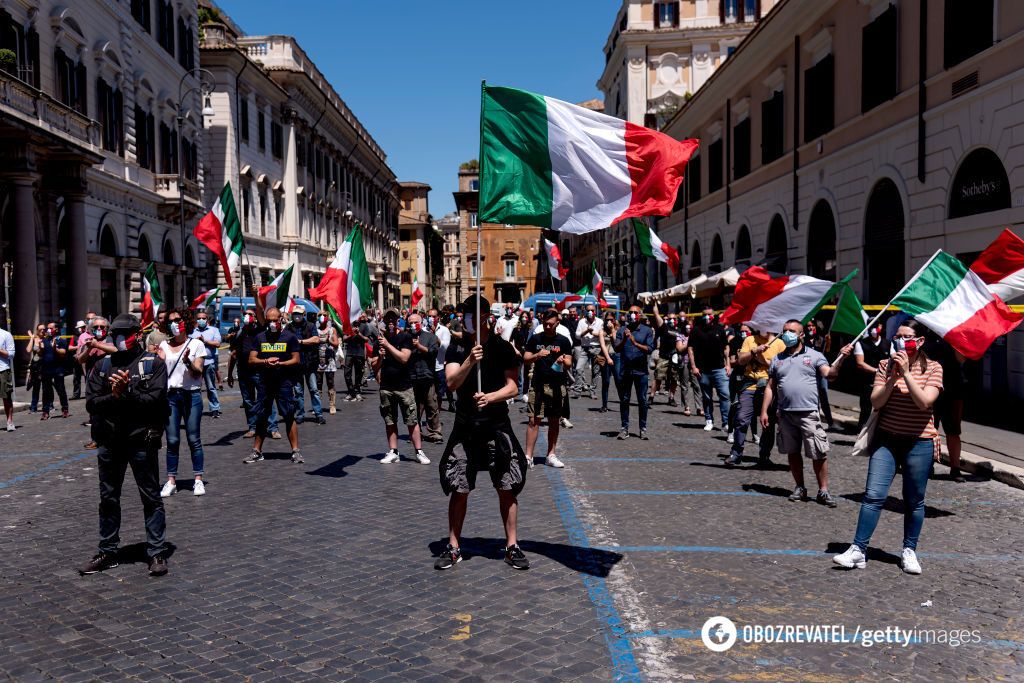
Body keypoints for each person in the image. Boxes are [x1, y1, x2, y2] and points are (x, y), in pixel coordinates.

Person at [833, 320, 943, 575]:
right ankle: (858, 549)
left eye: (907, 337)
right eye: (898, 336)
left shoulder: (934, 368)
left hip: (920, 442)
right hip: (887, 440)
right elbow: (876, 401)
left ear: (920, 341)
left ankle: (909, 550)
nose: (901, 341)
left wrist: (906, 373)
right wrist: (894, 377)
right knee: (873, 495)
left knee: (914, 500)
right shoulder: (885, 365)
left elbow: (925, 402)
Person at [435, 295, 528, 571]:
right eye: (467, 314)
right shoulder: (457, 347)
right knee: (459, 488)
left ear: (488, 316)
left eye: (477, 313)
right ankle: (453, 546)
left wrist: (491, 397)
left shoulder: (502, 348)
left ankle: (512, 546)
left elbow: (513, 387)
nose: (471, 318)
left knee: (506, 487)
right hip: (466, 428)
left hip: (496, 426)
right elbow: (451, 383)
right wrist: (469, 362)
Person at [79, 313, 169, 577]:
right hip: (110, 442)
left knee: (150, 496)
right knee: (108, 498)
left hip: (141, 441)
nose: (119, 339)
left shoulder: (152, 364)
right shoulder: (103, 365)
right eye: (114, 334)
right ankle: (108, 551)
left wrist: (127, 393)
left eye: (124, 333)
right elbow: (91, 403)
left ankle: (156, 552)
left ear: (137, 335)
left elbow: (154, 399)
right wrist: (115, 395)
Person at [759, 320, 852, 508]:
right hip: (785, 414)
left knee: (819, 453)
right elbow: (770, 387)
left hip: (808, 413)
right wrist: (764, 411)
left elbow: (830, 374)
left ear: (801, 335)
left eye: (792, 331)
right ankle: (799, 487)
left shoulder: (815, 356)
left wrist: (841, 358)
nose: (787, 334)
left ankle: (823, 490)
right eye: (784, 331)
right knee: (792, 452)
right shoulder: (777, 359)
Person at [158, 309, 208, 498]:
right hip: (171, 396)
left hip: (191, 395)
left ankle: (198, 479)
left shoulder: (196, 344)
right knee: (172, 440)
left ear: (185, 322)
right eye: (171, 321)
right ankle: (171, 481)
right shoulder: (163, 344)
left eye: (178, 320)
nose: (174, 323)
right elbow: (157, 371)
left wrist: (187, 361)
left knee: (193, 439)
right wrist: (156, 360)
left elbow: (197, 372)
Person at [244, 307, 303, 464]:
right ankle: (257, 451)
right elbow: (251, 359)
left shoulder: (289, 337)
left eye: (274, 320)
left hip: (284, 382)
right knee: (262, 415)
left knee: (289, 414)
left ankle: (296, 451)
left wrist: (281, 364)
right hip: (265, 383)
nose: (271, 323)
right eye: (269, 320)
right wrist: (265, 361)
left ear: (280, 320)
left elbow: (296, 359)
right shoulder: (260, 338)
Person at [374, 308, 429, 464]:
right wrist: (380, 356)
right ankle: (393, 451)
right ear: (383, 320)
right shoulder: (380, 338)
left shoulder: (405, 337)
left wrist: (388, 346)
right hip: (386, 386)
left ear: (398, 320)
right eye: (388, 318)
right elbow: (374, 366)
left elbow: (404, 358)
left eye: (393, 318)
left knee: (412, 420)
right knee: (390, 421)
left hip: (404, 386)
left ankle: (419, 451)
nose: (390, 321)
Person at [725, 327, 783, 466]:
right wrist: (753, 352)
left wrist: (763, 360)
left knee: (767, 423)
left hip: (770, 387)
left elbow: (781, 367)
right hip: (750, 386)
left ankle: (764, 455)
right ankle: (736, 453)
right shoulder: (750, 340)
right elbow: (741, 360)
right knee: (741, 418)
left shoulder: (780, 344)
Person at [524, 309, 573, 469]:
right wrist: (537, 355)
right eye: (545, 323)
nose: (546, 326)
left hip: (557, 385)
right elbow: (525, 359)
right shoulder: (536, 338)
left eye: (550, 324)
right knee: (533, 420)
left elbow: (569, 363)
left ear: (557, 323)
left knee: (554, 421)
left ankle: (550, 455)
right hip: (538, 384)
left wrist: (562, 360)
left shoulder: (564, 341)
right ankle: (528, 456)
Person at [233, 308, 279, 440]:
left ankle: (273, 428)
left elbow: (261, 315)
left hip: (259, 371)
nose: (247, 317)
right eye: (245, 314)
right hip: (243, 372)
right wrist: (230, 373)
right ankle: (252, 427)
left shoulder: (260, 331)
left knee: (266, 399)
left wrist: (255, 294)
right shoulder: (240, 332)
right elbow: (235, 353)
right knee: (248, 401)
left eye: (250, 315)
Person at [614, 305, 654, 440]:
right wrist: (625, 339)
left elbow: (649, 349)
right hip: (625, 371)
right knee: (624, 400)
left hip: (641, 371)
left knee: (642, 400)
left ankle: (643, 428)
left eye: (635, 312)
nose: (632, 314)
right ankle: (624, 428)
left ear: (640, 315)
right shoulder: (621, 330)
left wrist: (635, 343)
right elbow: (617, 348)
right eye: (630, 312)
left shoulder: (647, 330)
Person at [688, 309, 730, 431]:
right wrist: (693, 366)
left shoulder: (719, 329)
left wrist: (728, 365)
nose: (707, 317)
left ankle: (726, 422)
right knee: (707, 397)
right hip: (703, 370)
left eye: (709, 314)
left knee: (725, 395)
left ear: (713, 315)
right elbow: (690, 349)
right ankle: (709, 420)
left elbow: (726, 347)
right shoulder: (696, 330)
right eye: (704, 314)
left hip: (720, 369)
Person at [932, 340, 966, 482]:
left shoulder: (955, 337)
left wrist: (956, 343)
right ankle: (928, 464)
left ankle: (955, 468)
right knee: (929, 430)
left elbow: (961, 359)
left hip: (953, 390)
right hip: (930, 388)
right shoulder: (927, 336)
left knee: (953, 431)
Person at [408, 311, 443, 443]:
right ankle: (416, 433)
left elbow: (433, 352)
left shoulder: (430, 337)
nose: (413, 325)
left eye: (415, 322)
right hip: (412, 377)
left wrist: (419, 346)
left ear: (421, 322)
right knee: (414, 407)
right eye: (410, 323)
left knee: (431, 405)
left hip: (427, 375)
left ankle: (435, 433)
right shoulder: (406, 337)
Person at [287, 305, 324, 425]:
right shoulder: (289, 326)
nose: (296, 316)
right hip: (296, 364)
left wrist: (301, 342)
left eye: (299, 314)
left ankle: (318, 414)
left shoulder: (310, 325)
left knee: (314, 389)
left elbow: (316, 339)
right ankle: (300, 414)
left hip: (309, 362)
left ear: (303, 315)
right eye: (295, 314)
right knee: (298, 391)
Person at [853, 324, 890, 428]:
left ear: (881, 326)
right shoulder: (861, 343)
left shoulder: (888, 343)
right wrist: (877, 371)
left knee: (882, 409)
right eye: (871, 327)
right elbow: (860, 363)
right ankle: (861, 433)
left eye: (875, 326)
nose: (873, 329)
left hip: (884, 382)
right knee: (866, 409)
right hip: (867, 381)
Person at [191, 310, 222, 419]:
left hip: (209, 362)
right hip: (196, 364)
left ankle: (215, 408)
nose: (201, 320)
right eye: (199, 318)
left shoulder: (214, 330)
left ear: (207, 320)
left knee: (211, 387)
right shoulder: (192, 332)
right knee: (195, 388)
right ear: (196, 320)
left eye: (203, 318)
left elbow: (217, 343)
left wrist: (204, 341)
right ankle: (196, 409)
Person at [650, 304, 681, 406]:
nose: (672, 320)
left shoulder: (679, 329)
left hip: (674, 357)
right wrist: (655, 303)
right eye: (670, 318)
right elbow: (656, 314)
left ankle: (671, 398)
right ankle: (651, 396)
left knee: (674, 378)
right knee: (658, 377)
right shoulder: (664, 326)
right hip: (663, 356)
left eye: (674, 318)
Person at [39, 321, 70, 419]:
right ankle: (45, 411)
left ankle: (65, 409)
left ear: (56, 329)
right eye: (47, 328)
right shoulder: (44, 340)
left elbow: (63, 352)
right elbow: (40, 354)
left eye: (50, 328)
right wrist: (40, 349)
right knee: (46, 391)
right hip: (46, 369)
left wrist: (55, 348)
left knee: (60, 389)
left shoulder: (61, 340)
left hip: (58, 369)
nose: (48, 330)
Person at [572, 305, 602, 400]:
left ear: (595, 311)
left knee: (595, 371)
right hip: (584, 348)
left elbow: (602, 333)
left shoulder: (600, 321)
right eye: (588, 310)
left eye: (592, 310)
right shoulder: (582, 322)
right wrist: (586, 331)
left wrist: (592, 333)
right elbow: (577, 335)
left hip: (596, 348)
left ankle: (592, 391)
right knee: (578, 368)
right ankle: (577, 391)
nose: (590, 312)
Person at [315, 312, 340, 415]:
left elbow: (336, 344)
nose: (322, 317)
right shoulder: (315, 330)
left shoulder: (331, 330)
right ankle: (317, 406)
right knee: (318, 383)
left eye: (324, 315)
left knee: (330, 382)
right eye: (320, 315)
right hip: (318, 360)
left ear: (328, 317)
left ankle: (332, 405)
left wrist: (329, 341)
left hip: (329, 360)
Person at [343, 312, 371, 401]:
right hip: (349, 353)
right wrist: (351, 333)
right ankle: (351, 391)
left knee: (359, 374)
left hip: (360, 353)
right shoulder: (349, 324)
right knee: (347, 373)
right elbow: (344, 338)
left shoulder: (364, 326)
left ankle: (357, 391)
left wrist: (359, 334)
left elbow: (367, 339)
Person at [677, 318, 702, 417]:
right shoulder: (680, 336)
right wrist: (689, 342)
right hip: (685, 362)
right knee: (685, 385)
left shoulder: (698, 335)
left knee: (697, 385)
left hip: (696, 364)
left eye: (691, 325)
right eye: (687, 325)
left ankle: (699, 407)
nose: (689, 327)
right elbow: (679, 348)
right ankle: (686, 406)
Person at [431, 309, 454, 412]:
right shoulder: (423, 329)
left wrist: (435, 337)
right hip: (427, 367)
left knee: (439, 393)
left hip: (440, 365)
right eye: (429, 316)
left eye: (433, 316)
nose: (431, 318)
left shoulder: (444, 330)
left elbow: (445, 347)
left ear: (438, 318)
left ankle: (437, 414)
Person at [596, 313, 620, 413]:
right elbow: (602, 346)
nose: (609, 321)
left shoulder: (618, 330)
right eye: (607, 320)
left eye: (611, 319)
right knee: (605, 381)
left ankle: (623, 401)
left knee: (619, 380)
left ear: (614, 320)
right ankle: (604, 405)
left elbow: (617, 342)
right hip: (606, 357)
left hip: (617, 357)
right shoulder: (602, 331)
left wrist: (612, 330)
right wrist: (608, 358)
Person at [25, 324, 44, 412]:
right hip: (35, 366)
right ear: (37, 330)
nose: (42, 331)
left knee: (46, 387)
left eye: (43, 329)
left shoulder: (46, 339)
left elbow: (42, 352)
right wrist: (32, 338)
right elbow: (28, 350)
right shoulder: (35, 339)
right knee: (36, 387)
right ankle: (33, 407)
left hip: (44, 365)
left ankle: (49, 405)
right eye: (40, 329)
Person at [1, 321, 15, 432]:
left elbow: (11, 354)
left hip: (3, 370)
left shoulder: (5, 335)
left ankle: (9, 421)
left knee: (6, 397)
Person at [70, 320, 88, 400]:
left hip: (84, 359)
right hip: (76, 359)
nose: (80, 329)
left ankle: (88, 392)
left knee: (86, 376)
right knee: (76, 378)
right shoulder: (75, 337)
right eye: (79, 328)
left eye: (82, 327)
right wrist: (78, 347)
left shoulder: (88, 335)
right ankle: (76, 394)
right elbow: (70, 347)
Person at [224, 317, 242, 387]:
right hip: (232, 349)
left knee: (239, 363)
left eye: (237, 322)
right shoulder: (231, 329)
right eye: (235, 322)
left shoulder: (241, 329)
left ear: (239, 322)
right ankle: (230, 375)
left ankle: (239, 375)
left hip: (239, 350)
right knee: (230, 363)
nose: (236, 323)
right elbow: (227, 338)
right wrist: (231, 335)